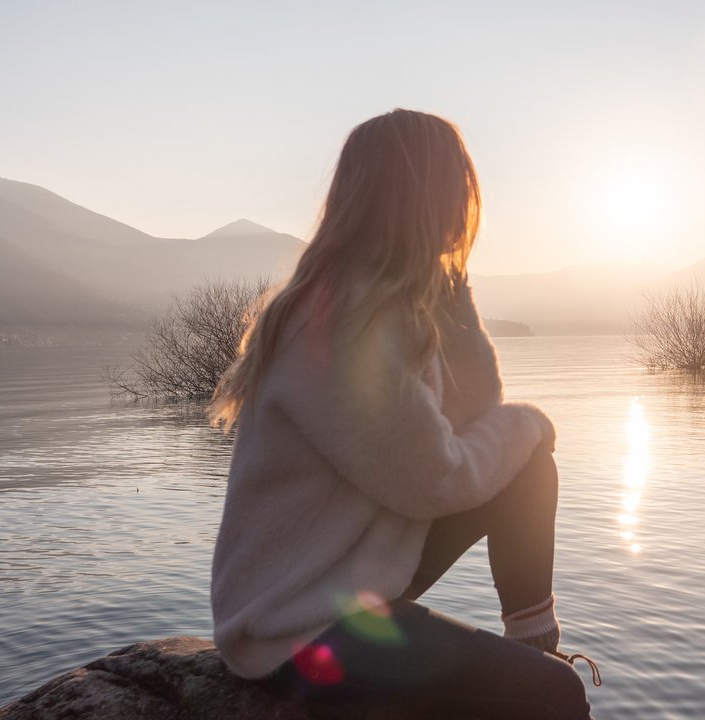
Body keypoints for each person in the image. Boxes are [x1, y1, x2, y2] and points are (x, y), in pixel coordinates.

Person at [207, 109, 598, 719]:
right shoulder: (338, 322)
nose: (468, 204)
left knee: (526, 466)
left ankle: (535, 644)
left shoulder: (381, 300)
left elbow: (475, 418)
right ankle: (540, 671)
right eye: (458, 187)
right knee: (556, 695)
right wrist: (530, 421)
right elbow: (438, 480)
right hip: (292, 626)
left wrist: (453, 292)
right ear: (423, 195)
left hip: (348, 573)